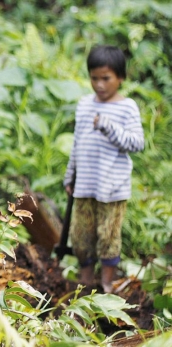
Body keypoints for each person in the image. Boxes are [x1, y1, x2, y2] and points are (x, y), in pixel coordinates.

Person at [63, 45, 144, 293]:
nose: (99, 84)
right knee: (80, 236)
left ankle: (107, 284)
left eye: (106, 78)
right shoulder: (84, 104)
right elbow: (77, 142)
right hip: (85, 183)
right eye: (94, 78)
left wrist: (109, 127)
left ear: (120, 78)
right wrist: (70, 174)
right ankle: (86, 281)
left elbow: (137, 143)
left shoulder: (127, 107)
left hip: (113, 186)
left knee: (108, 236)